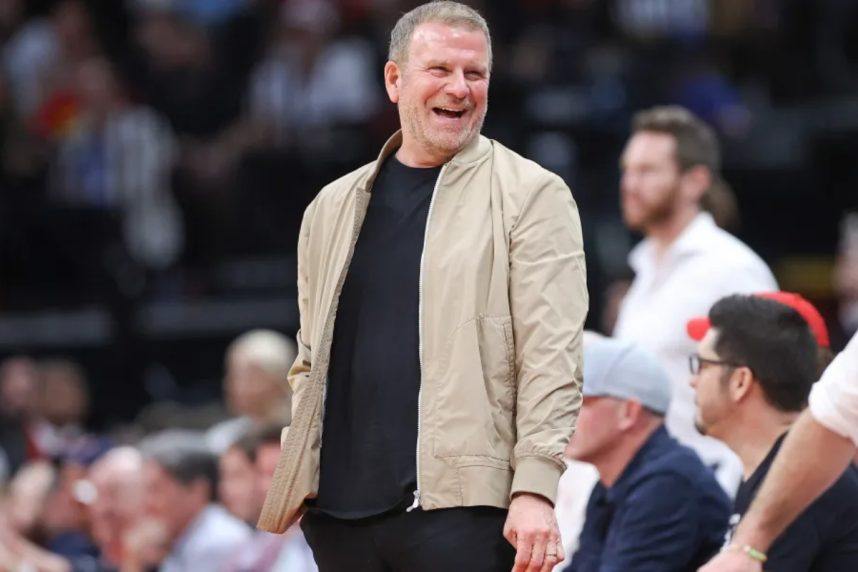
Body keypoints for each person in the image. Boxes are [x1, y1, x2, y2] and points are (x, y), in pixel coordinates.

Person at [257, 2, 588, 571]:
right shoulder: (330, 206)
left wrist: (535, 486)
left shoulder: (534, 194)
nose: (459, 89)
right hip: (338, 515)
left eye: (475, 74)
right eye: (440, 70)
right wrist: (300, 466)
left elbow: (552, 357)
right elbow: (310, 359)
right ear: (394, 79)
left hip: (462, 511)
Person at [613, 105, 777, 495]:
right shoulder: (644, 270)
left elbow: (776, 394)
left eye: (647, 171)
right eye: (627, 170)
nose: (629, 184)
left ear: (695, 181)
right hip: (642, 488)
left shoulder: (732, 268)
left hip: (709, 491)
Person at [688, 294, 858, 571]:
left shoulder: (804, 486)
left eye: (703, 365)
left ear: (741, 381)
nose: (692, 380)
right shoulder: (766, 470)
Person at [564, 337, 730, 571]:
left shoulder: (669, 484)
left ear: (629, 412)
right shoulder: (613, 483)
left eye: (581, 401)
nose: (563, 415)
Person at [133, 431, 251, 572]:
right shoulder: (177, 537)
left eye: (156, 490)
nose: (148, 503)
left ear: (197, 489)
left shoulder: (217, 541)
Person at [207, 329, 297, 453]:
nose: (229, 385)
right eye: (231, 376)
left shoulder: (305, 434)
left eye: (244, 377)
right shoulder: (223, 440)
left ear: (279, 381)